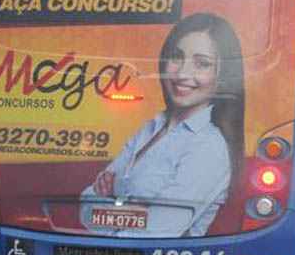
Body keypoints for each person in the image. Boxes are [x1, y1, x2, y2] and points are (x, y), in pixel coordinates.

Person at [80, 13, 245, 237]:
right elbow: (86, 209)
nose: (183, 73)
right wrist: (133, 213)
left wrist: (111, 203)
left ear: (222, 77)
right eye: (177, 57)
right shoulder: (151, 127)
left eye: (202, 64)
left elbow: (156, 233)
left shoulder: (209, 147)